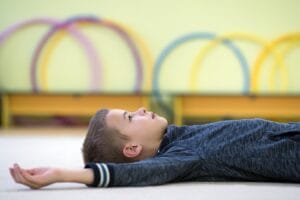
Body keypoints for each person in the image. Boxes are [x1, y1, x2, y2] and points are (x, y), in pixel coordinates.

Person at [9, 107, 300, 189]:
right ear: (133, 148)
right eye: (130, 118)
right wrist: (62, 174)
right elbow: (138, 174)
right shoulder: (180, 156)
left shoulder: (179, 137)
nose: (140, 110)